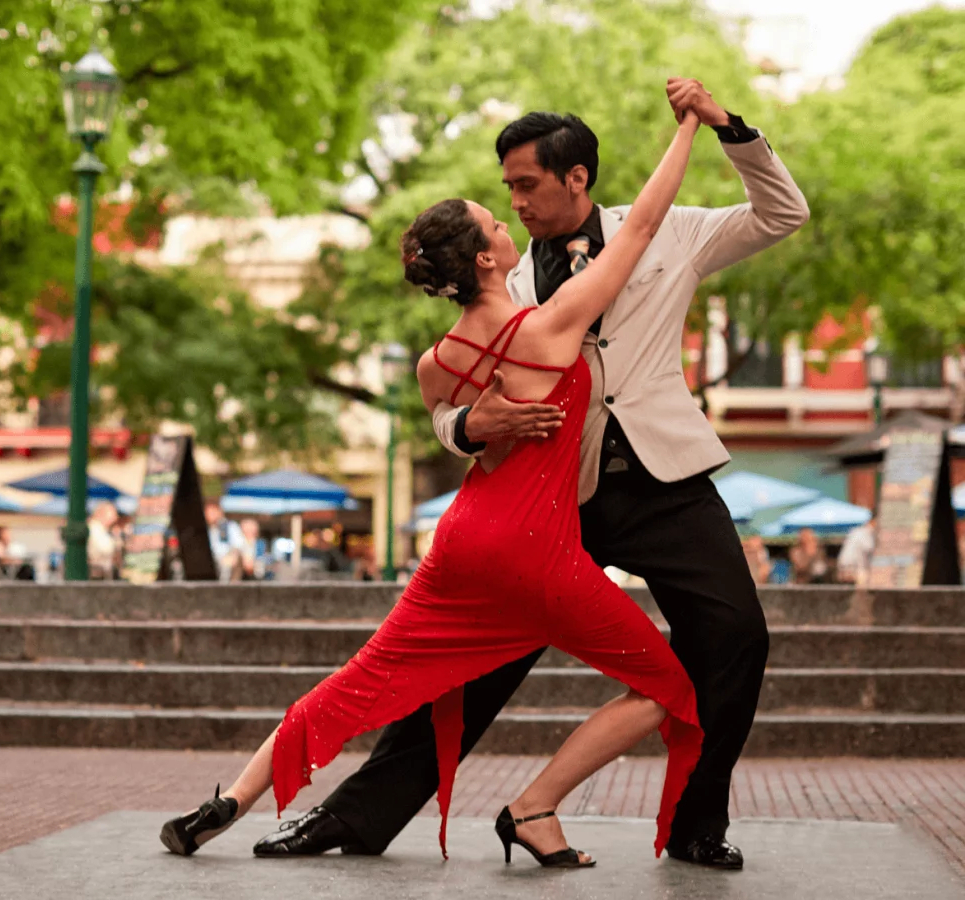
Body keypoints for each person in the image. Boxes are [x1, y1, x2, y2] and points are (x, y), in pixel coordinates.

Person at [256, 78, 808, 871]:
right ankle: (357, 816)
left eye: (526, 183)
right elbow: (450, 400)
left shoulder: (669, 232)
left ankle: (695, 824)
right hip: (549, 500)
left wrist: (730, 129)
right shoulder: (501, 278)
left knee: (735, 637)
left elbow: (783, 213)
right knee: (473, 657)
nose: (512, 201)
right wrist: (468, 427)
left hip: (667, 481)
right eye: (505, 187)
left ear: (575, 177)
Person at [161, 101, 705, 868]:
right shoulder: (551, 329)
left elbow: (458, 434)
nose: (506, 218)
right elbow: (643, 226)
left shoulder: (435, 364)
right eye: (494, 221)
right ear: (485, 259)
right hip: (536, 553)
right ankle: (534, 807)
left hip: (459, 545)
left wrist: (473, 426)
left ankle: (229, 801)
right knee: (667, 687)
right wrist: (688, 128)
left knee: (361, 679)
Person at [205, 500, 247, 582]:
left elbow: (239, 545)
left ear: (219, 511)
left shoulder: (230, 527)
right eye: (207, 512)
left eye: (212, 512)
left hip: (227, 562)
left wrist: (231, 556)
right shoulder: (207, 529)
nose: (209, 515)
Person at [87, 502, 120, 579]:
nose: (115, 518)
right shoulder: (95, 529)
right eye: (113, 514)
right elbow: (105, 549)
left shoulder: (102, 529)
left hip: (101, 572)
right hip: (96, 574)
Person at [836, 520, 875, 584]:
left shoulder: (855, 531)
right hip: (853, 566)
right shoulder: (866, 532)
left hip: (843, 565)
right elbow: (869, 548)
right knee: (863, 577)